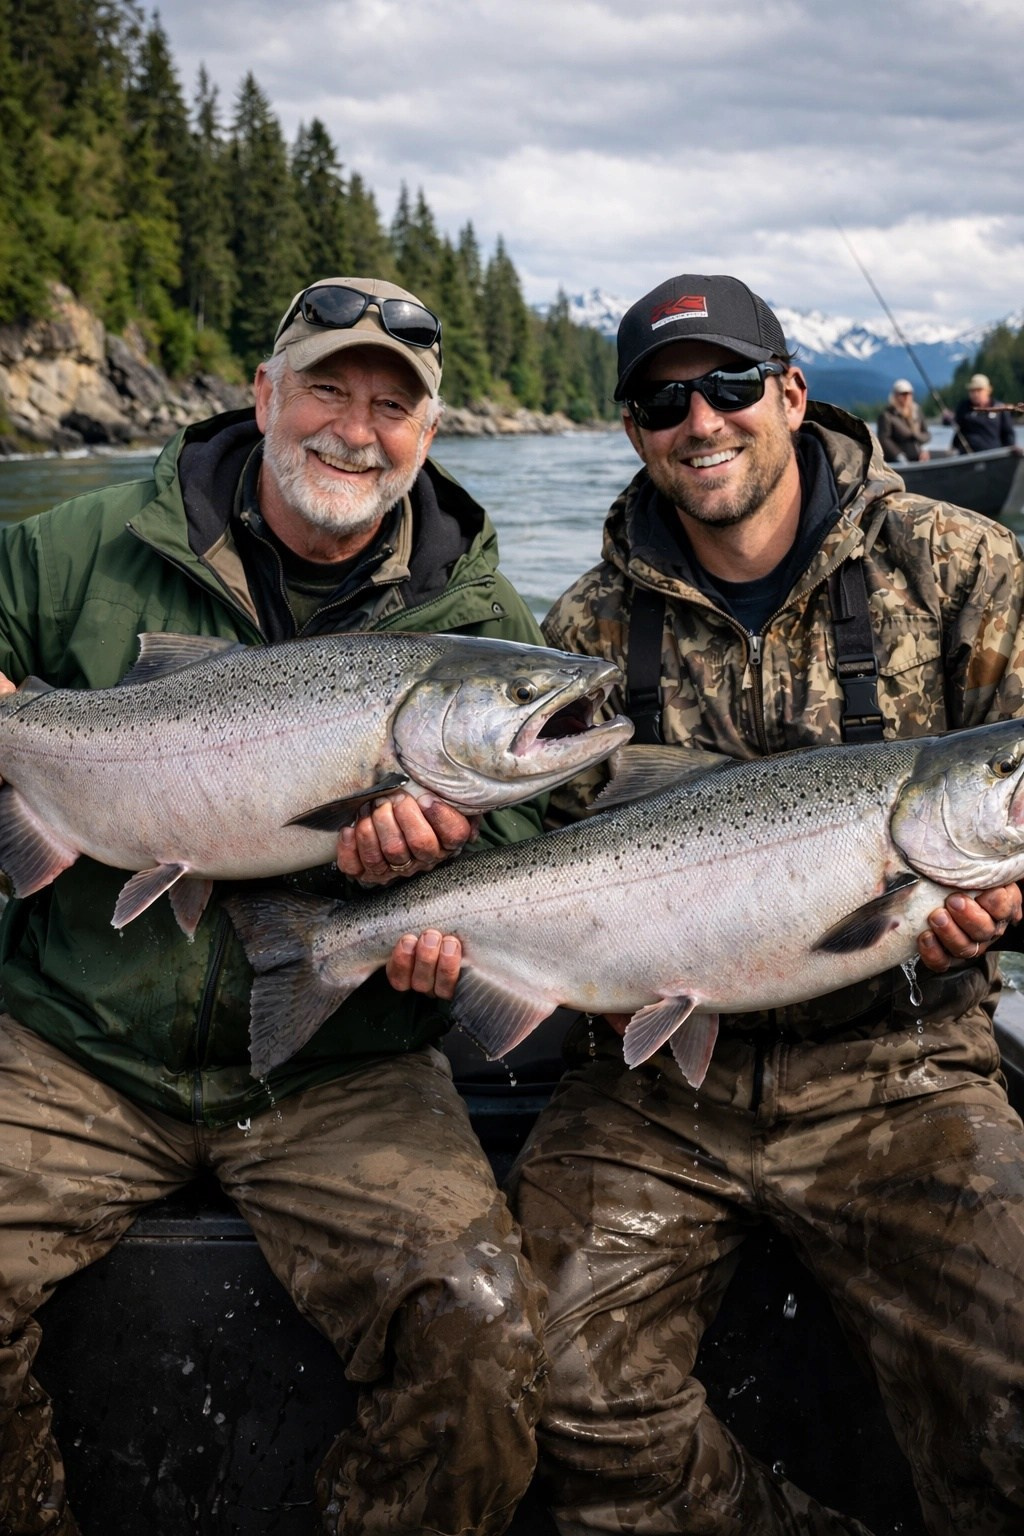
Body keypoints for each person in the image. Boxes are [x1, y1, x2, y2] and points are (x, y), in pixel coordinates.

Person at [401, 272, 1024, 1535]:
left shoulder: (959, 564)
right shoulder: (582, 629)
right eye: (663, 399)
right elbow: (531, 862)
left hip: (901, 1068)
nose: (703, 419)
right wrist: (436, 929)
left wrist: (1003, 910)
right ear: (634, 430)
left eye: (731, 384)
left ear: (791, 394)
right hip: (646, 1094)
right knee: (537, 1391)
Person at [0, 276, 548, 1536]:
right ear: (262, 394)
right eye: (327, 388)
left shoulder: (475, 623)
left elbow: (541, 839)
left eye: (392, 408)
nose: (355, 429)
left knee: (482, 1331)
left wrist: (435, 869)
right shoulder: (69, 548)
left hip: (339, 1074)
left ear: (428, 435)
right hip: (76, 1038)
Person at [944, 371, 1017, 453]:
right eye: (972, 391)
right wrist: (947, 419)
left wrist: (1010, 451)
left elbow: (1008, 434)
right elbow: (955, 426)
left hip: (993, 454)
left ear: (988, 390)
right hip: (967, 455)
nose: (975, 394)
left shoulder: (1000, 408)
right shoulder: (963, 407)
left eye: (979, 390)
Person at [875, 377, 930, 461]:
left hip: (918, 455)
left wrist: (924, 449)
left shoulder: (917, 412)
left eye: (909, 393)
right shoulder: (887, 415)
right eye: (903, 394)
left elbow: (926, 434)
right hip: (897, 459)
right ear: (895, 395)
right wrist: (898, 455)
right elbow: (884, 439)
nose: (907, 397)